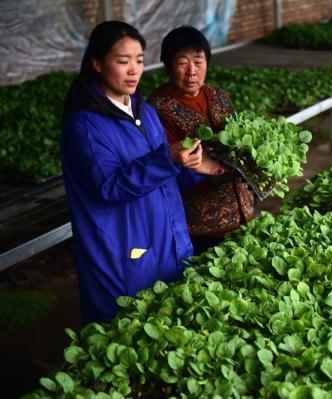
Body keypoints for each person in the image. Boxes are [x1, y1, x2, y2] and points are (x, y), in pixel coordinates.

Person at [61, 21, 223, 324]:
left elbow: (163, 176)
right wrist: (168, 159)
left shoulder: (143, 111)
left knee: (167, 328)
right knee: (125, 333)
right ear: (97, 64)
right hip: (123, 250)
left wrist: (201, 167)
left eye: (138, 60)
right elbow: (109, 187)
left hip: (166, 238)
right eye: (123, 62)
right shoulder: (84, 125)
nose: (134, 70)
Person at [149, 26, 254, 253]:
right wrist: (210, 170)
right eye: (182, 63)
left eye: (198, 62)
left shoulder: (218, 96)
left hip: (241, 213)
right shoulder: (157, 109)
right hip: (196, 225)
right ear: (168, 65)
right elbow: (165, 167)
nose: (192, 72)